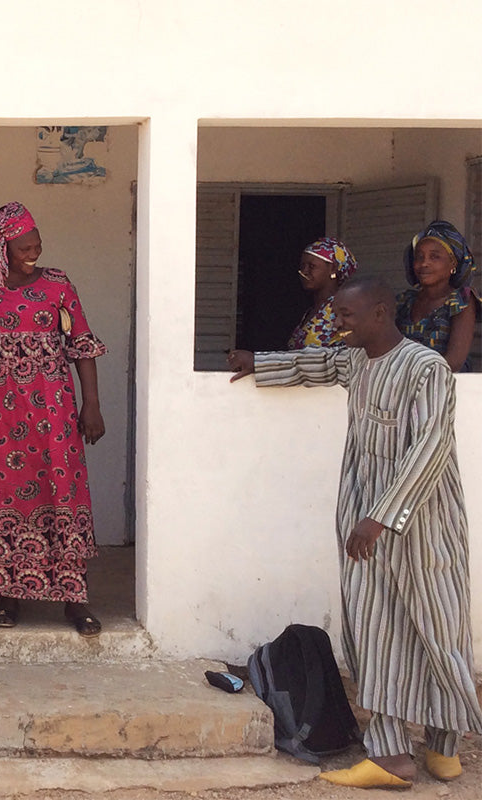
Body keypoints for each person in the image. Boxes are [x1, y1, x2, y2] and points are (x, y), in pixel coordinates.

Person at [228, 275, 482, 788]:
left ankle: (443, 747)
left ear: (381, 313)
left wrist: (381, 517)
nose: (337, 324)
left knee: (440, 629)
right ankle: (391, 757)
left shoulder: (425, 368)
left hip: (423, 526)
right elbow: (314, 363)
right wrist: (260, 362)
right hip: (366, 523)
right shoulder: (355, 361)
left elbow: (430, 446)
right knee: (374, 630)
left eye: (345, 316)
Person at [0, 201, 107, 636]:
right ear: (2, 248)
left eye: (37, 245)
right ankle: (6, 595)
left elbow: (82, 343)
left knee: (62, 490)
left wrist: (92, 405)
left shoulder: (58, 285)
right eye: (25, 247)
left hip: (55, 409)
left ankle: (74, 598)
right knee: (3, 494)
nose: (34, 253)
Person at [396, 220, 479, 371]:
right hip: (403, 386)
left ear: (453, 264)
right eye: (419, 257)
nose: (424, 263)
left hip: (446, 386)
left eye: (434, 257)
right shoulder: (404, 301)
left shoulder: (462, 300)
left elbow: (454, 361)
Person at [287, 237, 358, 349]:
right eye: (302, 266)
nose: (304, 272)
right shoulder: (311, 311)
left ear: (333, 269)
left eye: (311, 266)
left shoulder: (342, 309)